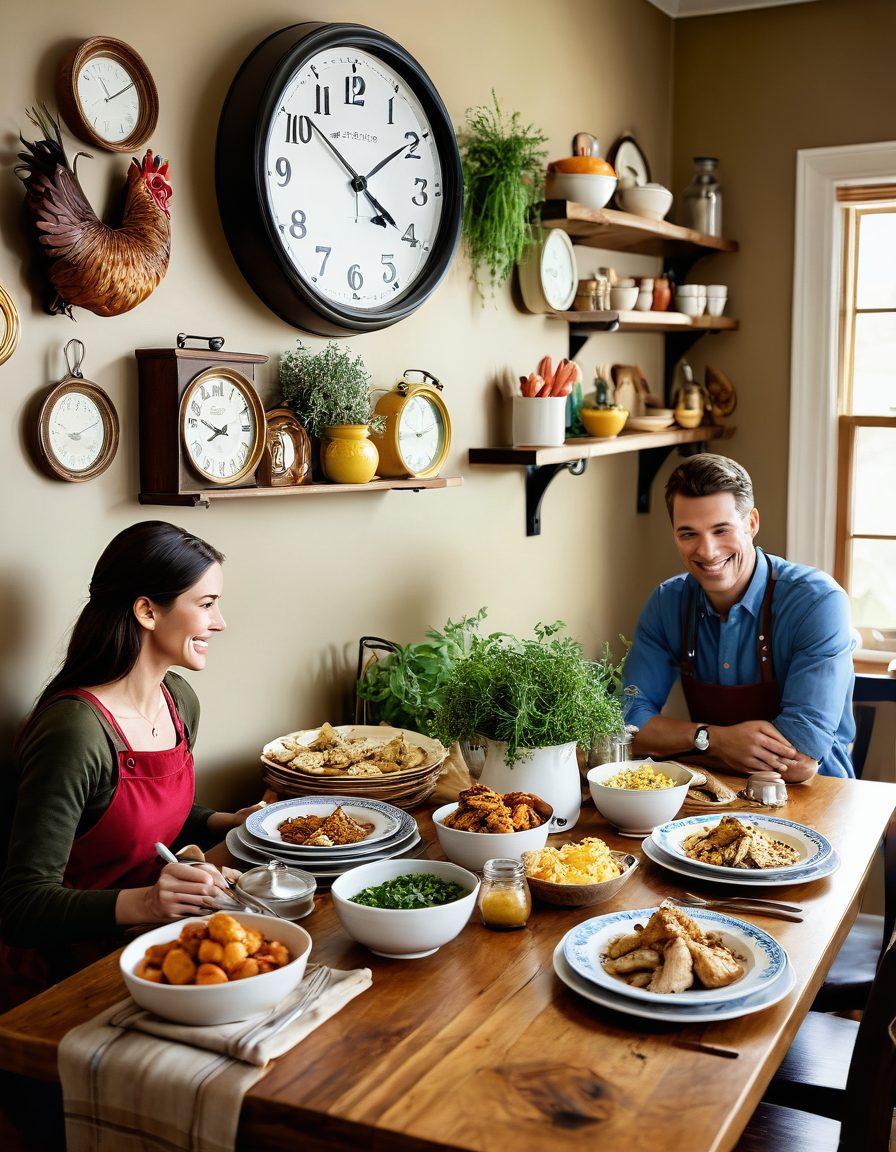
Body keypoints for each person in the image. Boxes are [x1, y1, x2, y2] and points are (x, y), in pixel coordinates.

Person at [0, 521, 260, 1003]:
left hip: (150, 946)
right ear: (146, 611)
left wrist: (230, 822)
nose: (220, 622)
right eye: (206, 604)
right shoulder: (75, 731)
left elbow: (148, 823)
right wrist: (149, 901)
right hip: (68, 981)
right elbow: (22, 908)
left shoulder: (178, 701)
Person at [624, 454, 855, 780]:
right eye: (688, 534)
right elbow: (628, 724)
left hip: (821, 797)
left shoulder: (817, 602)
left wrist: (678, 747)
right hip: (711, 797)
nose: (707, 551)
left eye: (721, 530)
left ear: (752, 523)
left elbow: (802, 759)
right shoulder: (668, 603)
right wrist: (712, 739)